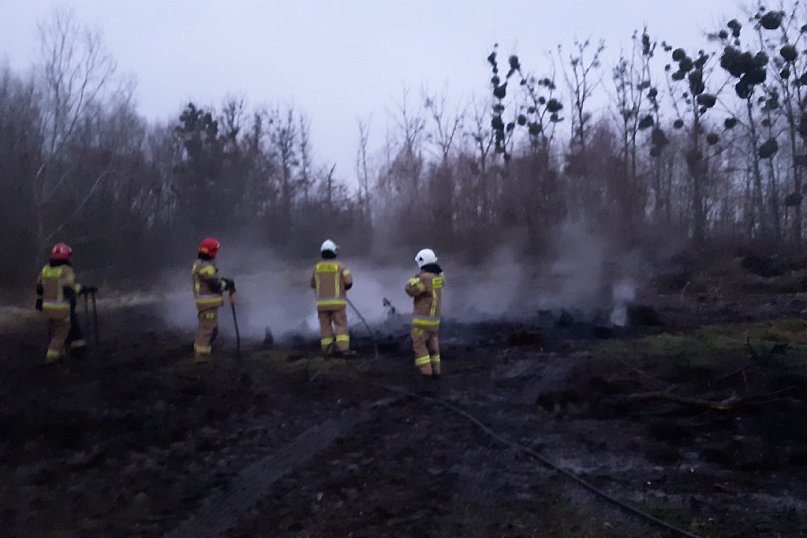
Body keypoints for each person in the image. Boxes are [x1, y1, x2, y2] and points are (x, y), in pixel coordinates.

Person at [35, 243, 97, 363]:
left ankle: (65, 355)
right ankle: (52, 359)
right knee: (61, 335)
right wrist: (83, 289)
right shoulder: (66, 270)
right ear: (67, 256)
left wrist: (39, 302)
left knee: (55, 333)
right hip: (61, 308)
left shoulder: (45, 269)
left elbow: (39, 287)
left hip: (47, 309)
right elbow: (69, 287)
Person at [191, 237, 235, 362]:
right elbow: (215, 286)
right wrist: (226, 284)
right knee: (208, 330)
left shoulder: (198, 263)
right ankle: (202, 359)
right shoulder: (207, 267)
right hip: (207, 304)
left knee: (207, 328)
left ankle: (200, 354)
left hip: (204, 303)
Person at [404, 248, 445, 377]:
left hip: (422, 321)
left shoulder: (425, 278)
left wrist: (413, 280)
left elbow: (411, 291)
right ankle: (436, 371)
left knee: (420, 346)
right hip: (434, 320)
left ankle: (426, 373)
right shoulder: (439, 277)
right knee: (434, 348)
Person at [310, 239, 353, 355]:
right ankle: (343, 350)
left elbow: (312, 284)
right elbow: (349, 282)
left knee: (325, 327)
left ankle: (327, 350)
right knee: (340, 326)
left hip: (321, 305)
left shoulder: (316, 268)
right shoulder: (341, 266)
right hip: (337, 303)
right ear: (333, 252)